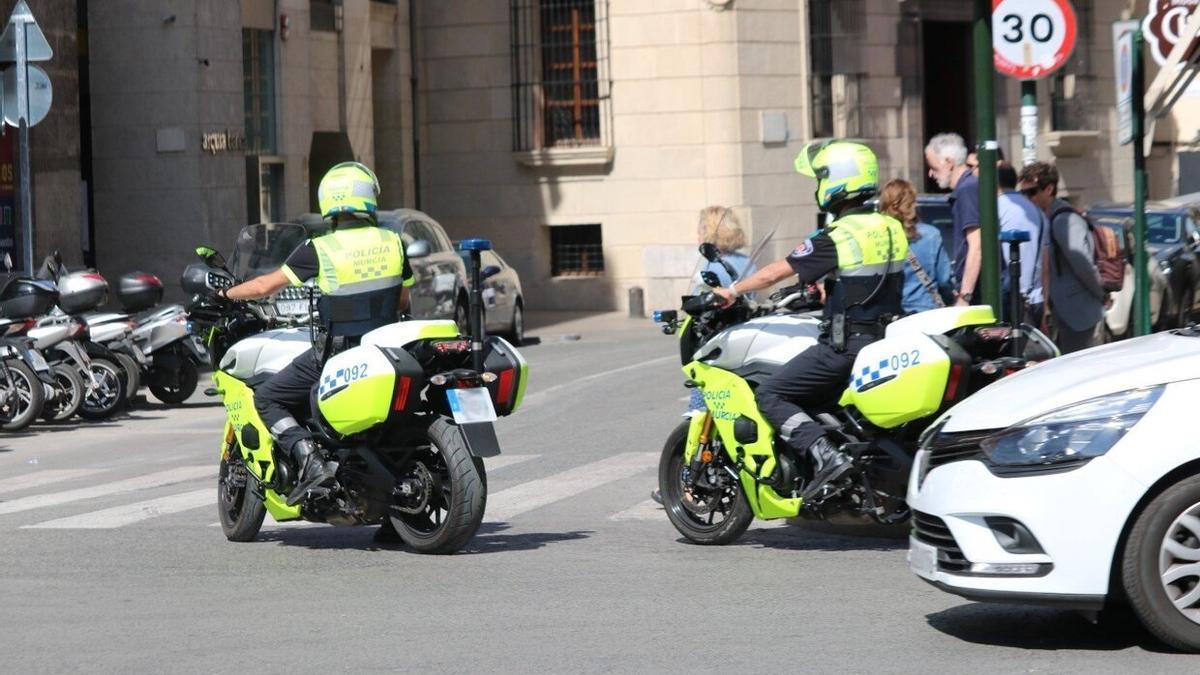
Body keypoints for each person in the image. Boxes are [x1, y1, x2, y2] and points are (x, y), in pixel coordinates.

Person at [710, 140, 907, 499]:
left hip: (844, 348)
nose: (817, 187)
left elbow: (773, 273)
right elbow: (868, 280)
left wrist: (732, 291)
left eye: (820, 179)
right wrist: (830, 289)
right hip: (886, 341)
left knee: (771, 393)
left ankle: (825, 454)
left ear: (836, 181)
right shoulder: (891, 228)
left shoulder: (838, 234)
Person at [216, 162, 415, 504]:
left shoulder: (321, 248)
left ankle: (308, 458)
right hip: (388, 350)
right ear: (368, 197)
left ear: (328, 203)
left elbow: (266, 285)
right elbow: (403, 297)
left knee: (268, 397)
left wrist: (224, 294)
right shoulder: (393, 241)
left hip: (339, 354)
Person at [1018, 162, 1104, 353]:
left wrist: (1101, 294)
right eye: (1022, 193)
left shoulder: (1064, 220)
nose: (1026, 198)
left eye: (1031, 192)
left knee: (1080, 368)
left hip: (1078, 312)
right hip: (1065, 312)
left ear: (1049, 189)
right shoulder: (1046, 218)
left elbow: (1082, 264)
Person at [879, 178, 953, 313]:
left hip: (890, 314)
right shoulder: (931, 235)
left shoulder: (878, 236)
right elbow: (944, 280)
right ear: (910, 205)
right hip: (925, 310)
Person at [925, 133, 980, 306]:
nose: (930, 174)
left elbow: (977, 245)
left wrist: (965, 296)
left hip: (978, 294)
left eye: (933, 167)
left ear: (949, 163)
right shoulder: (967, 187)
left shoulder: (967, 189)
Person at [996, 161, 1045, 323]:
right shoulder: (1037, 212)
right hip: (1035, 299)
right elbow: (1046, 261)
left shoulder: (994, 208)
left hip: (1008, 301)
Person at [695, 206, 756, 292]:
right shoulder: (746, 260)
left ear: (708, 232)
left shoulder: (716, 267)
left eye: (700, 232)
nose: (698, 237)